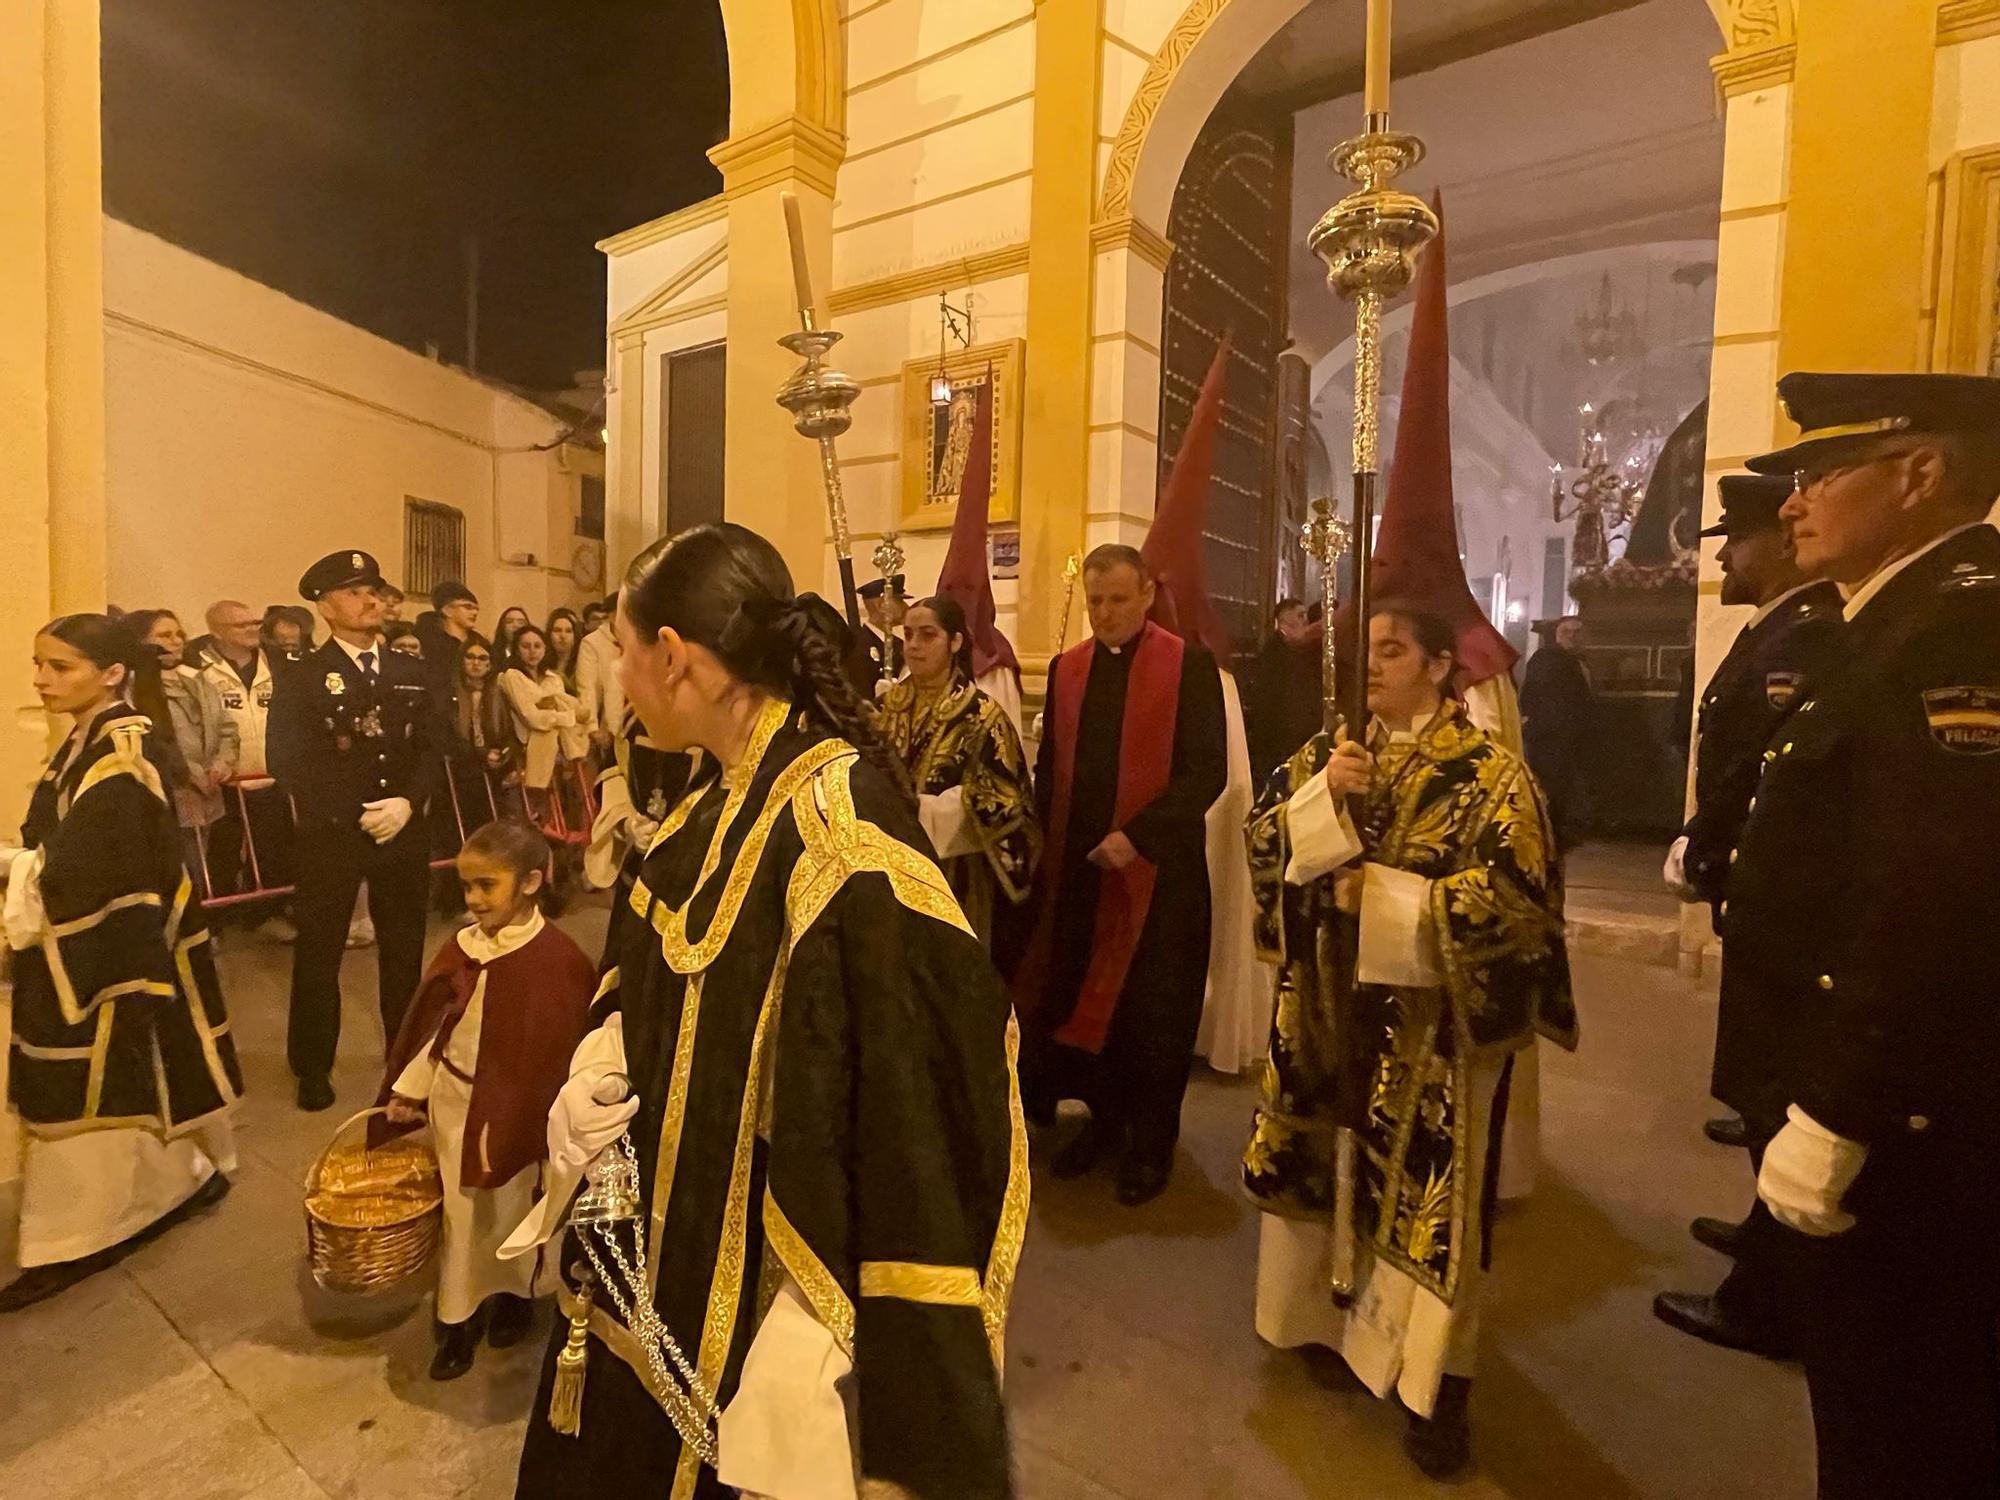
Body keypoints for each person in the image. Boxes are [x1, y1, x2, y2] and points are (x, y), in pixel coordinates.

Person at [504, 522, 1023, 1500]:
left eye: (623, 649)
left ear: (674, 657)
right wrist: (601, 1056)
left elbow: (914, 1105)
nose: (619, 676)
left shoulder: (839, 834)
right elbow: (647, 955)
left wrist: (818, 1322)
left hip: (755, 1290)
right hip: (655, 1253)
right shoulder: (716, 787)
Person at [1726, 372, 2000, 1499]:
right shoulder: (1885, 617)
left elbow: (1936, 894)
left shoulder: (1952, 630)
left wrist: (1839, 1107)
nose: (1792, 502)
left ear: (1919, 473)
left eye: (1820, 473)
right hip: (1845, 1074)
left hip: (1896, 1116)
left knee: (1899, 1405)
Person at [1243, 602, 1575, 1479]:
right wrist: (1321, 801)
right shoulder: (1329, 753)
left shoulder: (1491, 775)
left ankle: (1438, 1388)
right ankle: (1331, 1328)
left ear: (1437, 666)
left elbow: (1520, 904)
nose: (1375, 666)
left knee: (1435, 1209)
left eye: (1393, 651)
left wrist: (1393, 901)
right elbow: (1264, 843)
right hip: (1328, 1007)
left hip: (1432, 1034)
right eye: (1368, 651)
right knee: (1332, 1176)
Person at [0, 614, 242, 1313]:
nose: (42, 680)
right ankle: (180, 1179)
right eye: (39, 664)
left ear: (111, 675)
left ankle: (74, 1236)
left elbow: (96, 865)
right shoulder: (92, 736)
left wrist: (19, 869)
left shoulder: (122, 755)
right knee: (141, 1074)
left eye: (60, 667)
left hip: (110, 941)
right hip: (108, 936)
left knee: (92, 1080)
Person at [1652, 472, 1842, 1359]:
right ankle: (1766, 1235)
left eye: (1738, 539)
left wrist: (1710, 844)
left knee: (1777, 1088)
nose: (1726, 555)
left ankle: (1770, 1298)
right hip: (1755, 882)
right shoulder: (1779, 626)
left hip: (1782, 894)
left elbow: (1766, 766)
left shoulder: (1810, 633)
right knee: (1766, 1086)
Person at [1013, 544, 1226, 1206]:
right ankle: (1103, 1126)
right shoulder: (1067, 669)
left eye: (1117, 600)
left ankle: (1151, 1146)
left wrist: (1137, 837)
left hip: (1158, 876)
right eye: (1095, 601)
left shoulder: (1189, 666)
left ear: (1146, 595)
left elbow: (1206, 771)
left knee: (1151, 1015)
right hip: (1083, 872)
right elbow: (1051, 768)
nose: (1104, 613)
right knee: (1087, 1006)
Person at [377, 819, 596, 1380]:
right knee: (462, 1216)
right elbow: (435, 1030)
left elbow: (570, 1048)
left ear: (530, 882)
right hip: (457, 1106)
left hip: (521, 1113)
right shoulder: (462, 949)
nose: (472, 899)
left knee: (514, 1210)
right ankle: (456, 1320)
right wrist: (409, 1090)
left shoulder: (558, 961)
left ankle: (515, 1300)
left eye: (486, 885)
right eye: (466, 886)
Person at [267, 549, 444, 1113]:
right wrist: (351, 812)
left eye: (373, 590)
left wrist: (408, 803)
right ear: (324, 606)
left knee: (404, 951)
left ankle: (405, 1059)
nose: (370, 601)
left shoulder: (410, 671)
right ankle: (313, 1065)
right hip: (333, 834)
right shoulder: (303, 676)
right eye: (353, 592)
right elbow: (287, 761)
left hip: (402, 830)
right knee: (320, 952)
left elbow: (434, 746)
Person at [876, 595, 1039, 948]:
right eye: (908, 635)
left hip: (955, 876)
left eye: (928, 635)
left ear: (955, 642)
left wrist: (928, 813)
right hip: (888, 869)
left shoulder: (982, 716)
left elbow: (1008, 800)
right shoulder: (885, 709)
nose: (913, 645)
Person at [129, 608, 240, 898]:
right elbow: (152, 740)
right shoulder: (134, 689)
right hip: (168, 792)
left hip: (206, 791)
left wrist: (223, 762)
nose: (176, 641)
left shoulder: (198, 680)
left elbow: (226, 727)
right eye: (165, 635)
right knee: (172, 870)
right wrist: (189, 772)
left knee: (199, 867)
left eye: (179, 634)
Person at [196, 598, 290, 900]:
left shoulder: (276, 662)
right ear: (217, 631)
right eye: (241, 625)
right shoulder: (198, 668)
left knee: (272, 849)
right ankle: (222, 913)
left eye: (254, 623)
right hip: (223, 779)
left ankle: (266, 911)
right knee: (223, 850)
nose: (252, 629)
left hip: (270, 774)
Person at [1518, 614, 1594, 851]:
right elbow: (1536, 695)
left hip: (1564, 734)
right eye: (1566, 632)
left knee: (1563, 784)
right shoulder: (1548, 659)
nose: (1572, 637)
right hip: (1550, 735)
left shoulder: (1574, 660)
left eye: (1576, 632)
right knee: (1552, 785)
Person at [439, 633, 514, 835]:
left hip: (493, 771)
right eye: (470, 657)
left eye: (482, 658)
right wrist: (481, 755)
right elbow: (447, 736)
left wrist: (503, 756)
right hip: (460, 770)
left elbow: (508, 732)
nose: (476, 663)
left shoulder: (498, 693)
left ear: (490, 664)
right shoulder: (449, 694)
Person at [499, 624, 584, 796]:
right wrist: (568, 716)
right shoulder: (512, 676)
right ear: (516, 650)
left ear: (545, 649)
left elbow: (562, 706)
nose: (532, 651)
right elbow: (532, 718)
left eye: (537, 646)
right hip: (528, 744)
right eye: (525, 646)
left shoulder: (554, 678)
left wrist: (552, 709)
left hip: (560, 743)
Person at [1246, 597, 1323, 779]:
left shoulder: (1287, 649)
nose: (1305, 621)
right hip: (1278, 737)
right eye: (1300, 616)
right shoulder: (1277, 653)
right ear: (1284, 620)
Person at [574, 594, 624, 757]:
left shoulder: (642, 639)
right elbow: (586, 687)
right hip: (608, 721)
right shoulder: (592, 643)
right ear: (611, 615)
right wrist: (592, 727)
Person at [416, 580, 481, 697]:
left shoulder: (479, 641)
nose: (474, 612)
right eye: (467, 607)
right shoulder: (426, 640)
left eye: (476, 609)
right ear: (447, 610)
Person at [857, 575, 904, 682]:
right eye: (899, 601)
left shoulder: (900, 644)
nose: (906, 607)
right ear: (881, 605)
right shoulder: (860, 644)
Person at [545, 607, 584, 693]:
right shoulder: (541, 663)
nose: (563, 636)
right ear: (549, 634)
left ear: (575, 636)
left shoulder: (583, 663)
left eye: (568, 631)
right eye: (557, 630)